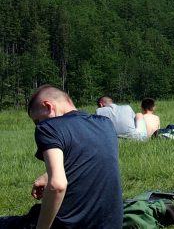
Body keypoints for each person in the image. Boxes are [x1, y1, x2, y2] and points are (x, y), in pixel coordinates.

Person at [0, 85, 123, 229]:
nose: (38, 125)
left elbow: (57, 185)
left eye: (37, 120)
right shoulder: (105, 124)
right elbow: (87, 159)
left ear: (48, 106)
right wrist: (47, 176)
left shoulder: (48, 128)